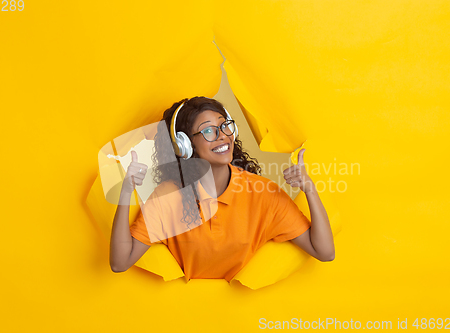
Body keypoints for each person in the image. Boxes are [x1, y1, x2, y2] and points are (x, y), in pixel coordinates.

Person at [109, 96, 335, 281]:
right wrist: (126, 190)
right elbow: (120, 262)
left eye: (224, 126)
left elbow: (324, 252)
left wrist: (309, 189)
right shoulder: (168, 197)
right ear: (185, 145)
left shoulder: (263, 193)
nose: (223, 136)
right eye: (208, 131)